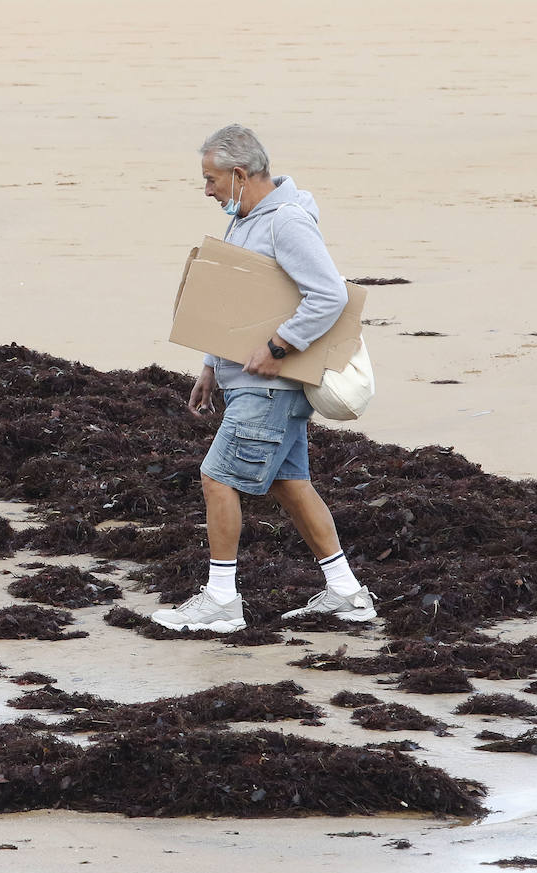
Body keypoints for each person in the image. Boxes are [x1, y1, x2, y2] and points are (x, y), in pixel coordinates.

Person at [151, 124, 375, 633]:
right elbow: (235, 303)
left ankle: (222, 602)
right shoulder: (246, 218)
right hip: (244, 377)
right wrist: (211, 363)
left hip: (271, 385)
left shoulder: (286, 222)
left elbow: (328, 295)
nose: (206, 190)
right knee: (290, 484)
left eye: (210, 180)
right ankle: (346, 593)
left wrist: (280, 346)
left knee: (216, 478)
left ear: (238, 173)